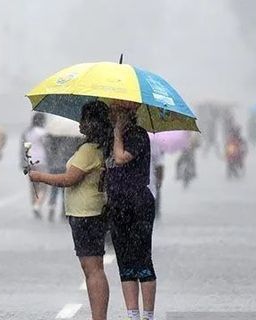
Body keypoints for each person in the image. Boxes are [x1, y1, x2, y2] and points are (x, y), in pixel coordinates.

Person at [29, 101, 113, 320]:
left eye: (84, 119)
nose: (80, 124)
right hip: (91, 211)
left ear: (93, 123)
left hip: (86, 213)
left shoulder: (88, 150)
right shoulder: (101, 147)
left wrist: (40, 177)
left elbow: (69, 179)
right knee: (93, 268)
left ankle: (99, 317)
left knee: (93, 269)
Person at [104, 101, 156, 320]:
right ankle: (132, 314)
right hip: (117, 204)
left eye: (116, 112)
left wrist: (117, 134)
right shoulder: (109, 138)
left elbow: (121, 158)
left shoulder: (137, 135)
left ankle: (148, 315)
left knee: (142, 259)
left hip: (138, 203)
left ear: (127, 114)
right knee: (124, 261)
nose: (112, 115)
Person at [20, 113, 49, 218]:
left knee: (33, 186)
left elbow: (25, 148)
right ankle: (37, 205)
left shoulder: (28, 132)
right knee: (44, 187)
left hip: (30, 161)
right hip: (41, 161)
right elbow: (47, 147)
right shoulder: (43, 133)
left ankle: (33, 205)